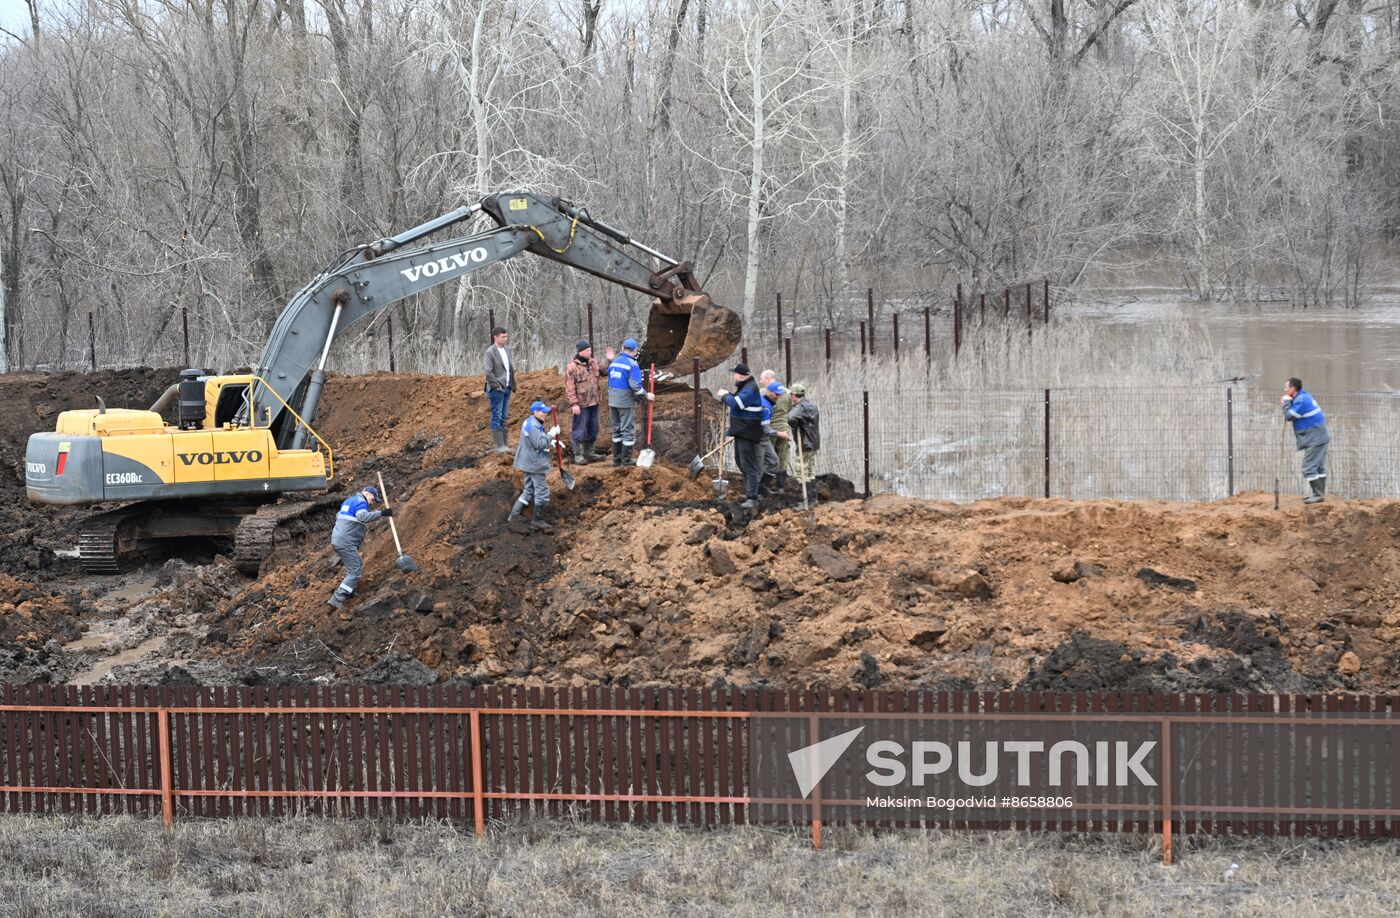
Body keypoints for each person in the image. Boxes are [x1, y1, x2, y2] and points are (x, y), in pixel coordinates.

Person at [328, 484, 392, 608]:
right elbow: (362, 517)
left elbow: (339, 516)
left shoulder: (349, 501)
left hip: (339, 539)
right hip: (346, 542)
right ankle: (337, 598)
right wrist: (382, 513)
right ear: (367, 494)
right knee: (355, 571)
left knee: (355, 565)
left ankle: (349, 590)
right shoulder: (361, 502)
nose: (372, 503)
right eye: (373, 499)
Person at [715, 362, 765, 508]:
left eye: (735, 374)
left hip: (747, 432)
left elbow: (738, 404)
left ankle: (752, 497)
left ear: (740, 376)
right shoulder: (746, 387)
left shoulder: (750, 389)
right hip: (741, 431)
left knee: (748, 465)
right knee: (740, 461)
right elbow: (737, 401)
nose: (733, 377)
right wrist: (728, 395)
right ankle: (751, 491)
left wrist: (725, 396)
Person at [508, 401, 560, 531]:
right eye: (543, 412)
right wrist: (551, 434)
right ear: (535, 412)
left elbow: (535, 441)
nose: (545, 414)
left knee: (529, 490)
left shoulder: (531, 422)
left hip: (528, 461)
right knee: (541, 491)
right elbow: (539, 444)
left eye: (546, 412)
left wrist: (551, 442)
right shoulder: (533, 426)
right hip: (534, 463)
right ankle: (537, 520)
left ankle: (514, 516)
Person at [1282, 377, 1330, 504]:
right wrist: (1290, 401)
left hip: (1316, 438)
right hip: (1320, 436)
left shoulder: (1302, 400)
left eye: (1286, 387)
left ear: (1293, 389)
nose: (1284, 389)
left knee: (1308, 467)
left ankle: (1318, 495)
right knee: (1318, 467)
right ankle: (1319, 495)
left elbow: (1289, 416)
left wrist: (1286, 403)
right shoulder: (1303, 396)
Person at [606, 337, 653, 466]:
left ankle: (616, 459)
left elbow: (610, 380)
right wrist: (646, 395)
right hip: (625, 402)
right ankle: (626, 460)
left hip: (612, 400)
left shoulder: (614, 362)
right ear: (634, 351)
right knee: (627, 430)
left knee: (616, 429)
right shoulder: (632, 365)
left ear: (623, 349)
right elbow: (635, 386)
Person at [564, 339, 602, 464]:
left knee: (593, 427)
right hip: (581, 403)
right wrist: (574, 403)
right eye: (587, 350)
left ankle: (589, 452)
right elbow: (570, 387)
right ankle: (578, 454)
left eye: (590, 350)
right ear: (581, 351)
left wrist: (610, 360)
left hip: (594, 402)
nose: (590, 352)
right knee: (580, 429)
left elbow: (604, 372)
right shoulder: (572, 367)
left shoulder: (593, 363)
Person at [483, 326, 516, 454]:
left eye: (506, 336)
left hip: (507, 387)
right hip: (497, 389)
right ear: (495, 337)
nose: (506, 339)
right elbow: (488, 372)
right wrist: (496, 385)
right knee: (496, 415)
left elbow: (509, 369)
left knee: (504, 416)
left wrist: (512, 384)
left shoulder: (507, 350)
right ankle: (499, 445)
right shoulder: (490, 352)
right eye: (503, 337)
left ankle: (505, 444)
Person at [761, 379, 792, 494]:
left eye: (762, 379)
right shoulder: (787, 393)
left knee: (767, 458)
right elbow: (790, 408)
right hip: (783, 428)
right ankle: (780, 488)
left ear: (768, 379)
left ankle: (765, 487)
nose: (760, 381)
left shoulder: (761, 393)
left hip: (769, 429)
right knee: (782, 457)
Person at [787, 382, 820, 486]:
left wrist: (794, 422)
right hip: (813, 443)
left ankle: (807, 499)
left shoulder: (800, 407)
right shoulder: (812, 406)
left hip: (805, 444)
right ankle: (812, 499)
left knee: (801, 472)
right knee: (809, 471)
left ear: (793, 395)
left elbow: (790, 418)